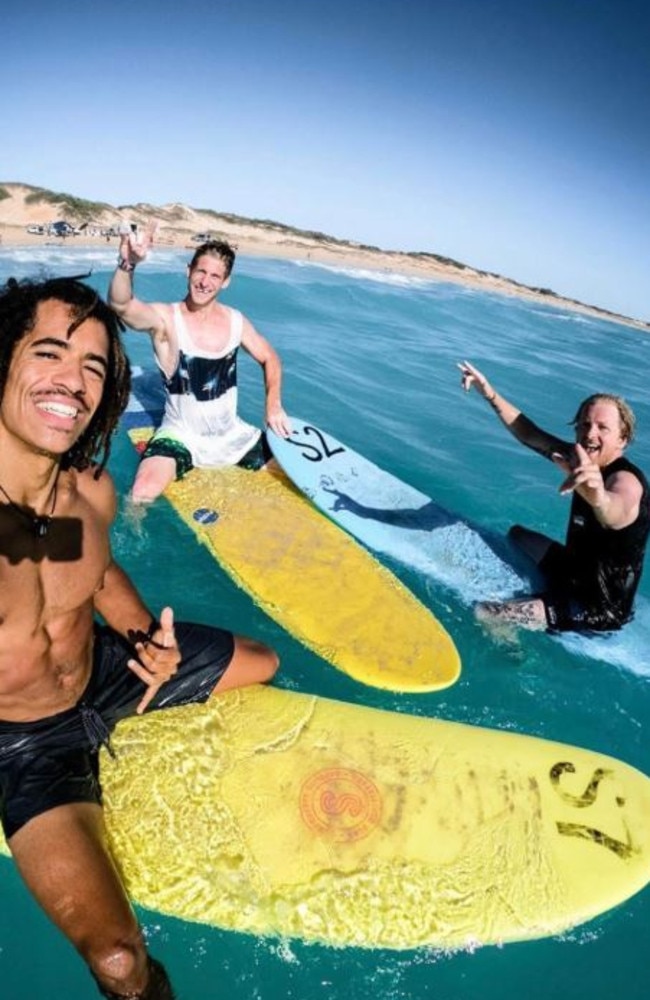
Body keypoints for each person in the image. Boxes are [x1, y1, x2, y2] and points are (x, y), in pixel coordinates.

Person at [0, 276, 279, 998]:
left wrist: (138, 633)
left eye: (94, 367)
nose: (74, 381)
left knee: (262, 661)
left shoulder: (89, 487)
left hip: (102, 673)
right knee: (120, 962)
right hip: (26, 747)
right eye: (50, 354)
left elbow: (98, 569)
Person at [457, 360, 650, 633]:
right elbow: (530, 435)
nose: (589, 433)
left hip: (596, 607)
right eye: (584, 425)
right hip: (574, 569)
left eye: (602, 427)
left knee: (488, 613)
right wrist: (489, 393)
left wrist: (597, 496)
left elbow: (616, 509)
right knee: (518, 535)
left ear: (623, 439)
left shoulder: (626, 481)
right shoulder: (579, 458)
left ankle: (515, 658)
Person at [108, 226, 291, 502]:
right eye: (201, 272)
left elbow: (270, 358)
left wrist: (273, 404)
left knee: (291, 477)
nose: (205, 281)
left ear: (225, 282)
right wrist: (127, 264)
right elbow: (121, 305)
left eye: (215, 276)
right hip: (180, 435)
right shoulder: (166, 319)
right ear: (188, 270)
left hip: (233, 435)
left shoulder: (236, 321)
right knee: (141, 493)